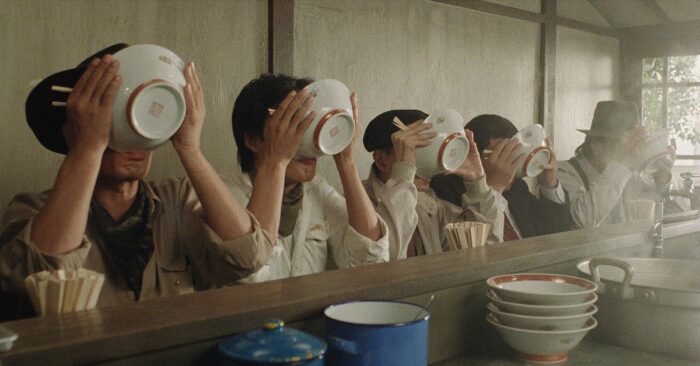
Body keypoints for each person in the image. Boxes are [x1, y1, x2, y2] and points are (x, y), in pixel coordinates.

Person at [0, 45, 274, 319]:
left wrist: (190, 148)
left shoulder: (176, 199)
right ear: (73, 132)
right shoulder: (31, 209)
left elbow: (247, 257)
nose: (136, 141)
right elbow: (43, 277)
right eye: (119, 122)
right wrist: (87, 147)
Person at [227, 74, 388, 282]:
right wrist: (276, 163)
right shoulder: (223, 195)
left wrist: (346, 161)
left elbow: (372, 262)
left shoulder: (316, 190)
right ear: (252, 140)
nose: (306, 141)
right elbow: (250, 276)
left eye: (307, 125)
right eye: (292, 126)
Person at [362, 109, 504, 258]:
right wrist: (404, 174)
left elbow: (483, 252)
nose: (426, 170)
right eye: (414, 153)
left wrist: (477, 184)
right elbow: (382, 257)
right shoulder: (357, 205)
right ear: (381, 161)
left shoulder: (430, 205)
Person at [431, 114, 574, 239]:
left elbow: (555, 235)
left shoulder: (517, 187)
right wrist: (493, 188)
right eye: (502, 154)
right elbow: (472, 248)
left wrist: (548, 184)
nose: (511, 163)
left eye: (516, 154)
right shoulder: (445, 189)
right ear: (473, 156)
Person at [557, 101, 676, 228]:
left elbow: (658, 200)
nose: (632, 152)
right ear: (596, 146)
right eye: (624, 146)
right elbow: (582, 220)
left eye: (634, 145)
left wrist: (662, 177)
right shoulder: (563, 173)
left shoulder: (627, 174)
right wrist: (621, 163)